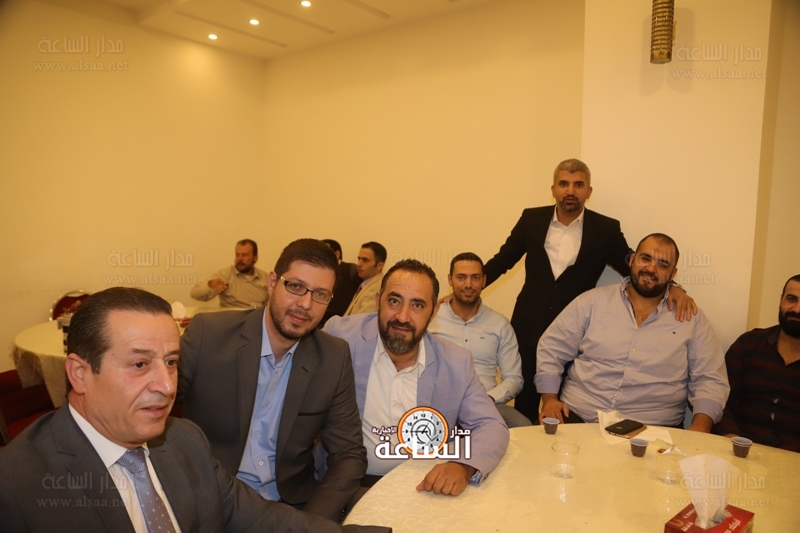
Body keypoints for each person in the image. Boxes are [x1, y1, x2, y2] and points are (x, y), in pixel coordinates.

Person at [0, 287, 388, 533]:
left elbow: (262, 519)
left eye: (171, 362)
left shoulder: (184, 440)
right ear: (80, 374)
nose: (167, 386)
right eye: (139, 364)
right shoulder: (16, 487)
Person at [480, 159, 696, 421]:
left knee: (561, 407)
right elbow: (502, 261)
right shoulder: (531, 219)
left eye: (578, 185)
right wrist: (467, 289)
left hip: (576, 333)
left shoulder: (605, 228)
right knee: (525, 399)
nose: (570, 190)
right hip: (528, 323)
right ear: (553, 189)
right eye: (564, 184)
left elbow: (634, 265)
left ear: (588, 191)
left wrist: (673, 287)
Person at [179, 239, 366, 522]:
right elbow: (149, 414)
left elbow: (349, 454)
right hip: (212, 502)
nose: (305, 304)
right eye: (296, 286)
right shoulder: (209, 335)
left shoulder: (333, 356)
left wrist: (310, 524)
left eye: (320, 294)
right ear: (272, 283)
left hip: (290, 507)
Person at [325, 259, 509, 497]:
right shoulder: (340, 336)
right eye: (394, 301)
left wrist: (462, 466)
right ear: (378, 301)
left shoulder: (455, 362)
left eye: (417, 305)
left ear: (433, 313)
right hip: (345, 484)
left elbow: (491, 425)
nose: (402, 317)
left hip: (420, 487)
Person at [535, 234, 728, 431]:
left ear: (673, 273)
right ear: (632, 259)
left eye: (662, 264)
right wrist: (549, 399)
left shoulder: (691, 318)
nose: (651, 268)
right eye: (645, 258)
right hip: (577, 417)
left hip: (655, 430)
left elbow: (710, 378)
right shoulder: (591, 302)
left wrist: (700, 427)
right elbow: (552, 348)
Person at [429, 252, 530, 427]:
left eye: (475, 278)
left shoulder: (499, 324)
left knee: (524, 427)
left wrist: (488, 398)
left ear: (484, 281)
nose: (468, 284)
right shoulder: (431, 319)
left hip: (487, 403)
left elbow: (514, 379)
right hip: (439, 403)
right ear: (450, 280)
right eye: (461, 277)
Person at [713, 274, 800, 451]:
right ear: (780, 301)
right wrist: (731, 437)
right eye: (792, 299)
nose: (797, 309)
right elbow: (720, 396)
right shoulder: (748, 344)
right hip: (739, 446)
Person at [190, 239, 269, 308]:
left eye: (245, 255)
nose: (240, 259)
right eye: (237, 255)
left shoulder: (265, 278)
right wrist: (210, 284)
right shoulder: (225, 275)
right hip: (232, 318)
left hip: (256, 318)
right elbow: (194, 293)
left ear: (255, 258)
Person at [321, 239, 360, 326]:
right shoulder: (319, 272)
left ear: (337, 254)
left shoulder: (351, 270)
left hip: (342, 324)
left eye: (324, 253)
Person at [344, 242, 387, 316]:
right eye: (359, 259)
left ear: (379, 266)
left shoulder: (377, 288)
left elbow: (362, 321)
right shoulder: (367, 284)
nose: (359, 264)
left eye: (365, 260)